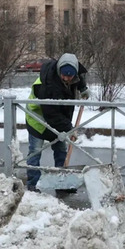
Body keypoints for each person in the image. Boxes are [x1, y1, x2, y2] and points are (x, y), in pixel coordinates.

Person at [24, 53, 89, 192]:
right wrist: (69, 128)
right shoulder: (47, 85)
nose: (66, 78)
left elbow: (78, 78)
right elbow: (50, 114)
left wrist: (83, 88)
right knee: (35, 152)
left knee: (61, 150)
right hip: (37, 118)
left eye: (70, 76)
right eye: (64, 75)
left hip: (58, 119)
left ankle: (61, 183)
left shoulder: (71, 75)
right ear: (59, 70)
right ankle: (32, 184)